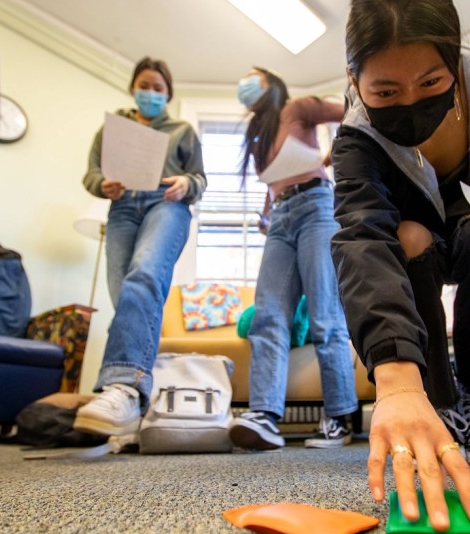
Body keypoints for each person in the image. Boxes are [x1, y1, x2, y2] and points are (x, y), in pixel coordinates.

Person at [332, 0, 470, 529]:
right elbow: (363, 237)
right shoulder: (356, 137)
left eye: (430, 84)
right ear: (354, 80)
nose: (409, 103)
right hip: (414, 243)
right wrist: (397, 381)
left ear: (453, 61)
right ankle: (440, 401)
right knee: (406, 235)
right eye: (385, 92)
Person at [227, 68, 360, 450]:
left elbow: (352, 109)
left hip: (317, 205)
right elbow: (274, 181)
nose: (246, 84)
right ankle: (264, 416)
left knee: (325, 315)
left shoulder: (299, 108)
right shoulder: (260, 136)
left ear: (271, 84)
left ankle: (338, 417)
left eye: (252, 77)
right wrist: (267, 214)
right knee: (268, 316)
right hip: (282, 218)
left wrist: (332, 155)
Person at [74, 57, 207, 437]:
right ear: (133, 87)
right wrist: (102, 185)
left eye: (158, 88)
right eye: (144, 85)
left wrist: (186, 184)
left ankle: (123, 387)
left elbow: (199, 178)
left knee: (144, 275)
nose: (150, 93)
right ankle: (136, 402)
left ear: (168, 95)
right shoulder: (111, 129)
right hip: (122, 210)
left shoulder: (182, 130)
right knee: (126, 296)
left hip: (166, 205)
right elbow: (92, 173)